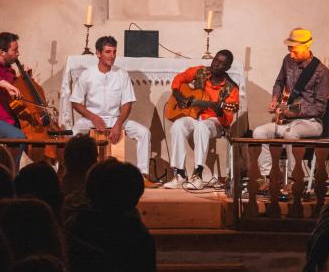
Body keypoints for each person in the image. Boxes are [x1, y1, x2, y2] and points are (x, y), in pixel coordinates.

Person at [69, 35, 156, 188]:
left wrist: (118, 124)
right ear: (98, 53)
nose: (112, 56)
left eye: (114, 52)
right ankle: (74, 175)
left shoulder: (121, 74)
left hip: (116, 118)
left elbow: (127, 103)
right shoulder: (87, 74)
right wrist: (93, 117)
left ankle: (143, 175)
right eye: (108, 52)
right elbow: (76, 102)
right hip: (92, 119)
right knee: (73, 132)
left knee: (143, 132)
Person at [252, 27, 329, 185]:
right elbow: (279, 83)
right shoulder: (288, 60)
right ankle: (269, 176)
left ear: (307, 46)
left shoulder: (321, 71)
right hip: (287, 121)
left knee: (290, 134)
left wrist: (290, 110)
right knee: (259, 132)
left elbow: (320, 108)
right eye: (290, 50)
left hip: (311, 122)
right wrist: (275, 99)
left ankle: (296, 179)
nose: (291, 55)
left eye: (295, 51)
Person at [164, 49, 239, 190]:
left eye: (221, 63)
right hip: (194, 116)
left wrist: (219, 111)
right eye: (216, 60)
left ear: (227, 68)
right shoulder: (201, 71)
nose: (216, 64)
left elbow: (227, 121)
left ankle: (197, 174)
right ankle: (180, 174)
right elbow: (180, 78)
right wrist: (178, 95)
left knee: (202, 126)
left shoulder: (231, 88)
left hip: (214, 121)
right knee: (178, 125)